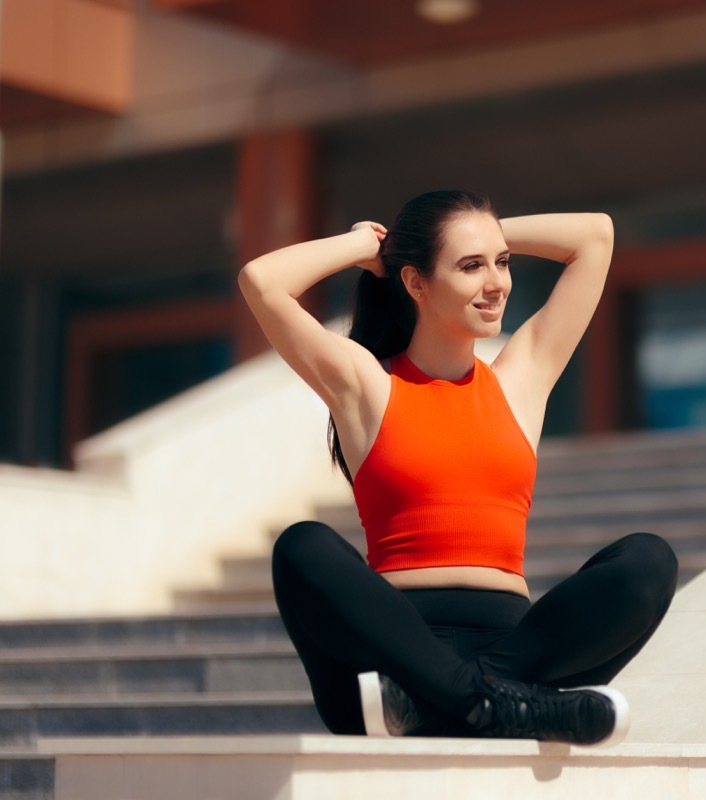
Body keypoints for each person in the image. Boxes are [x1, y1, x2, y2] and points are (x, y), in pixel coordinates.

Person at [238, 189, 678, 747]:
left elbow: (595, 236)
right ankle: (490, 704)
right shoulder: (366, 383)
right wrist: (364, 245)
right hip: (390, 656)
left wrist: (479, 235)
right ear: (415, 282)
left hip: (516, 651)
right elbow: (262, 281)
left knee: (648, 561)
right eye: (471, 266)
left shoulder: (522, 377)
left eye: (502, 262)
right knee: (302, 547)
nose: (495, 283)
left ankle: (458, 702)